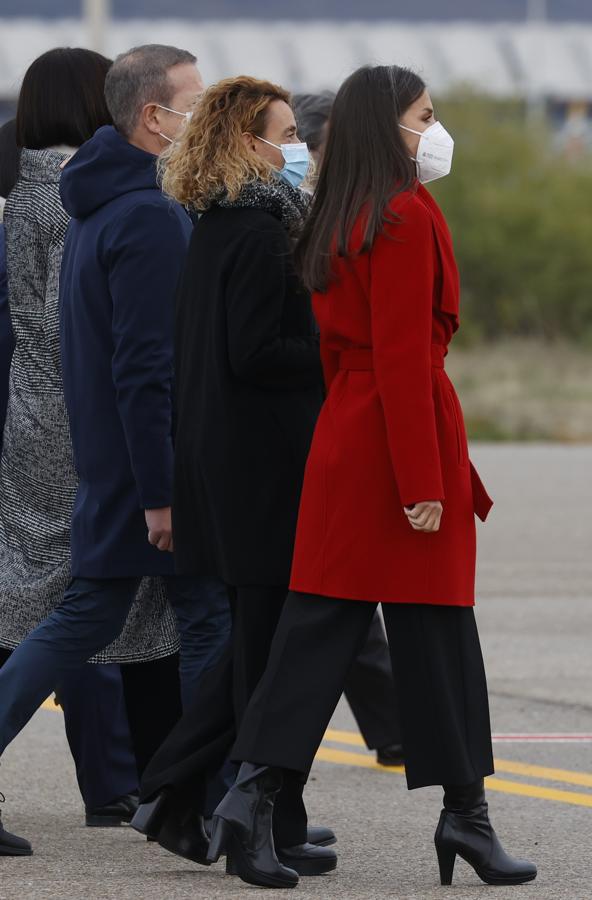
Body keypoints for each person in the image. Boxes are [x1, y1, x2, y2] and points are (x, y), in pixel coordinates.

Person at [206, 65, 538, 890]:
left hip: (353, 435)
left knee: (318, 632)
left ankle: (250, 803)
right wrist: (422, 479)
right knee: (438, 633)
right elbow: (399, 352)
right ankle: (465, 818)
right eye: (425, 115)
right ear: (388, 126)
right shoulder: (402, 215)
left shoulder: (341, 210)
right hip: (399, 436)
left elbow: (343, 351)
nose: (435, 129)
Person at [0, 44, 231, 851]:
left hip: (80, 440)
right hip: (126, 451)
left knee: (79, 618)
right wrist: (161, 489)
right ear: (149, 115)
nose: (205, 115)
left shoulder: (79, 198)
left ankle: (190, 799)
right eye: (195, 103)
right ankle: (189, 798)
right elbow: (144, 364)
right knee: (186, 619)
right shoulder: (141, 214)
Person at [132, 75, 336, 879]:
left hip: (234, 464)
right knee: (269, 654)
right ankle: (221, 813)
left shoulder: (221, 223)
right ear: (248, 142)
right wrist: (337, 355)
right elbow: (254, 354)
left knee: (260, 647)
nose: (300, 151)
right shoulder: (254, 232)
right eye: (287, 134)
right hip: (261, 473)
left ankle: (197, 800)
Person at [293, 90, 403, 767]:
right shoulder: (308, 212)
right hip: (314, 416)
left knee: (335, 597)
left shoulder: (340, 210)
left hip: (328, 413)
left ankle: (395, 726)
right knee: (331, 600)